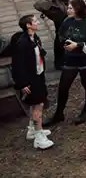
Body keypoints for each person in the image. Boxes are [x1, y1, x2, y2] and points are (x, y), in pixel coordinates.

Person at [47, 0, 86, 126]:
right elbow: (61, 35)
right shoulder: (67, 21)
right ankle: (59, 113)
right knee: (63, 86)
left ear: (78, 10)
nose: (68, 10)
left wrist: (78, 45)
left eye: (71, 8)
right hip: (70, 60)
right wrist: (65, 43)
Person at [11, 14, 54, 150]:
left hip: (38, 75)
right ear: (28, 25)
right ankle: (39, 136)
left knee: (36, 104)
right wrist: (22, 84)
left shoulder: (34, 38)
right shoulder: (22, 44)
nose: (37, 22)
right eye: (34, 21)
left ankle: (32, 129)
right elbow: (18, 65)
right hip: (31, 80)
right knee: (38, 105)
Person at [42, 0, 72, 70]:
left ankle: (62, 57)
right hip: (59, 11)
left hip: (57, 8)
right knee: (61, 34)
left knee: (62, 33)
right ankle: (59, 61)